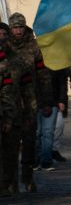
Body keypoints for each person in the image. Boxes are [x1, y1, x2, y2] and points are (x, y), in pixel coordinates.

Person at [7, 13, 53, 191]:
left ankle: (27, 178)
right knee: (9, 143)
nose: (18, 30)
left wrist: (47, 101)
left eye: (20, 27)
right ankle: (10, 180)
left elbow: (43, 75)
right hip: (9, 101)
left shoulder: (34, 47)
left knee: (29, 141)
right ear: (10, 28)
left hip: (30, 102)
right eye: (15, 27)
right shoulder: (4, 46)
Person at [0, 22, 19, 197]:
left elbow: (8, 92)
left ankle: (7, 184)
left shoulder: (12, 60)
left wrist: (8, 118)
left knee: (9, 152)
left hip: (11, 111)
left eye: (4, 34)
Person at [50, 68, 71, 163]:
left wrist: (62, 100)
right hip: (42, 100)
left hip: (55, 100)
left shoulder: (60, 67)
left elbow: (63, 84)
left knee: (59, 125)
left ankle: (53, 150)